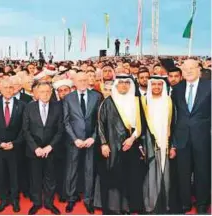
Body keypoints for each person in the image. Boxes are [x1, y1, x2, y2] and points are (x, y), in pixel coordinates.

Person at [97, 75, 143, 214]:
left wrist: (132, 139)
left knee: (130, 176)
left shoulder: (137, 101)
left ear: (130, 85)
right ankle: (113, 208)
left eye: (126, 83)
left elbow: (142, 124)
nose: (123, 85)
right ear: (116, 85)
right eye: (121, 83)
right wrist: (104, 144)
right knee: (114, 176)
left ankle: (129, 207)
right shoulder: (107, 102)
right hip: (111, 147)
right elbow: (100, 125)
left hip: (131, 145)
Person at [171, 59, 211, 214]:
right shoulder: (177, 88)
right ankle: (185, 202)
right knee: (183, 171)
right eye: (185, 68)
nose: (188, 71)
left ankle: (202, 203)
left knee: (202, 171)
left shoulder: (209, 86)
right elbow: (174, 116)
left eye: (191, 68)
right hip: (181, 138)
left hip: (203, 137)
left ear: (199, 69)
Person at [63, 72, 103, 214]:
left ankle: (88, 199)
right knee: (72, 171)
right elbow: (66, 122)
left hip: (90, 141)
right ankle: (71, 199)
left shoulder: (96, 96)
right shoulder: (68, 98)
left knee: (89, 171)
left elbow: (99, 121)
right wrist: (75, 139)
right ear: (74, 81)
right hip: (74, 141)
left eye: (85, 80)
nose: (83, 82)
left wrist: (93, 137)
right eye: (80, 80)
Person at [23, 82, 63, 215]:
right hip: (34, 150)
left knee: (50, 178)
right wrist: (36, 148)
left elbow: (60, 130)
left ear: (51, 92)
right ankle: (36, 203)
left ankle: (49, 203)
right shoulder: (29, 107)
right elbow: (25, 130)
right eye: (42, 92)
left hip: (51, 149)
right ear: (37, 93)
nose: (45, 94)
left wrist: (50, 147)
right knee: (35, 178)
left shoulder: (58, 107)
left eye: (47, 91)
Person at [141, 77, 175, 214]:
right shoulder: (144, 101)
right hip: (148, 143)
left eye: (159, 84)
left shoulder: (168, 101)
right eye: (153, 84)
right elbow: (141, 124)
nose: (156, 87)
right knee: (149, 174)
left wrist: (173, 145)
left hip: (165, 143)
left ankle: (165, 204)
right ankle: (150, 204)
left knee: (165, 174)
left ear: (163, 86)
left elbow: (174, 123)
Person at [0, 78, 25, 213]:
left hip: (15, 147)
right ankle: (4, 200)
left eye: (11, 87)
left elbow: (24, 128)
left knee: (14, 174)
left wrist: (15, 143)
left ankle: (15, 199)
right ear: (0, 88)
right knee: (0, 174)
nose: (8, 90)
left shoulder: (22, 105)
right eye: (5, 87)